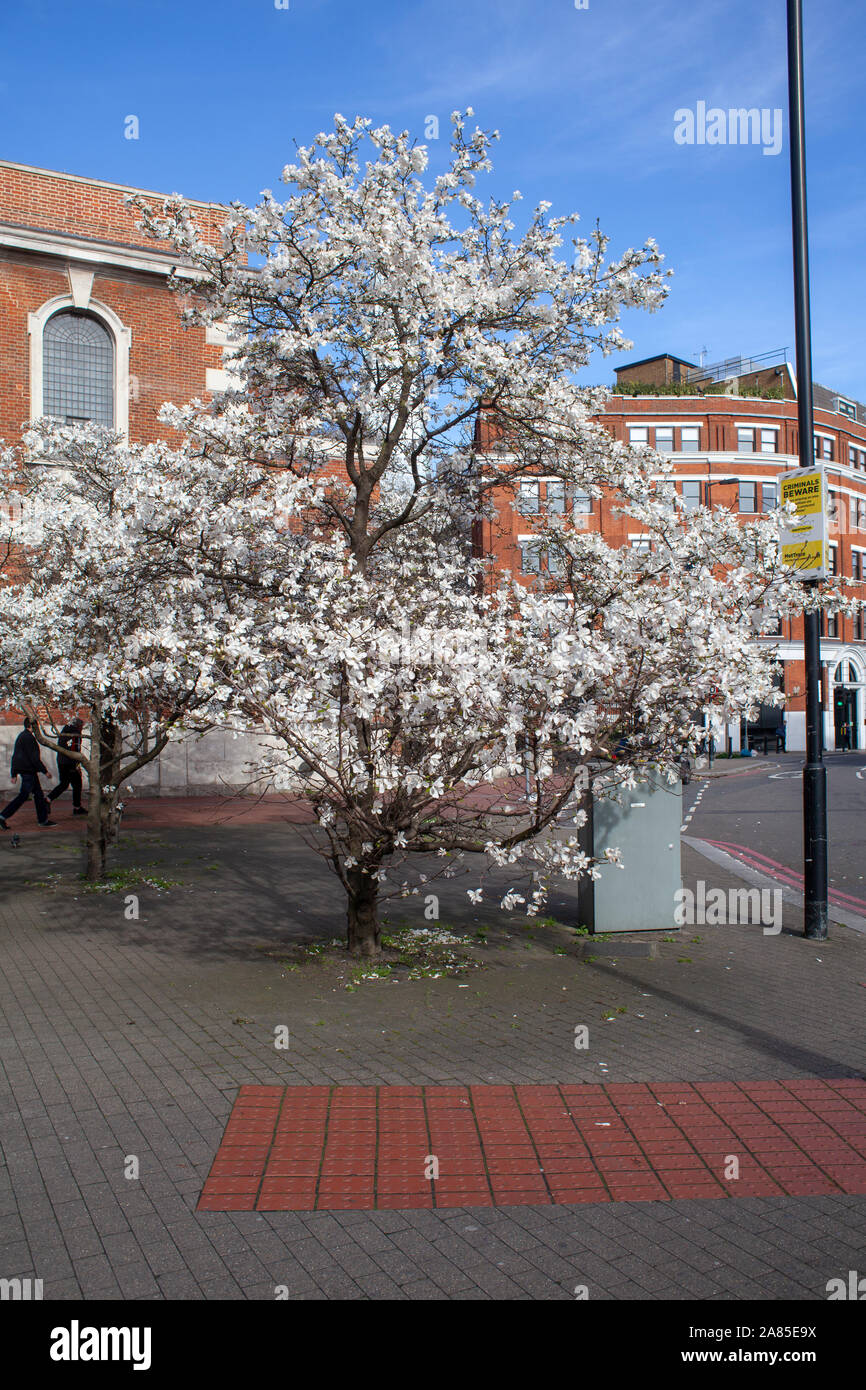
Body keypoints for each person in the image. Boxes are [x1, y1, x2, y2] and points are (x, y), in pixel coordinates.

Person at [0, 718, 55, 828]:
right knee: (24, 795)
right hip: (28, 772)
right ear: (32, 726)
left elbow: (16, 756)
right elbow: (34, 758)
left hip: (28, 772)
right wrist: (45, 771)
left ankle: (43, 819)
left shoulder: (22, 736)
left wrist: (14, 774)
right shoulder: (29, 738)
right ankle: (2, 816)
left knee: (38, 795)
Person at [47, 717, 87, 814]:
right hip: (70, 763)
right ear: (78, 726)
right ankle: (77, 807)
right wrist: (77, 764)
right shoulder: (75, 734)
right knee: (77, 784)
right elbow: (76, 749)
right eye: (82, 727)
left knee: (64, 784)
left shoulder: (64, 731)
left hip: (61, 761)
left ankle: (48, 799)